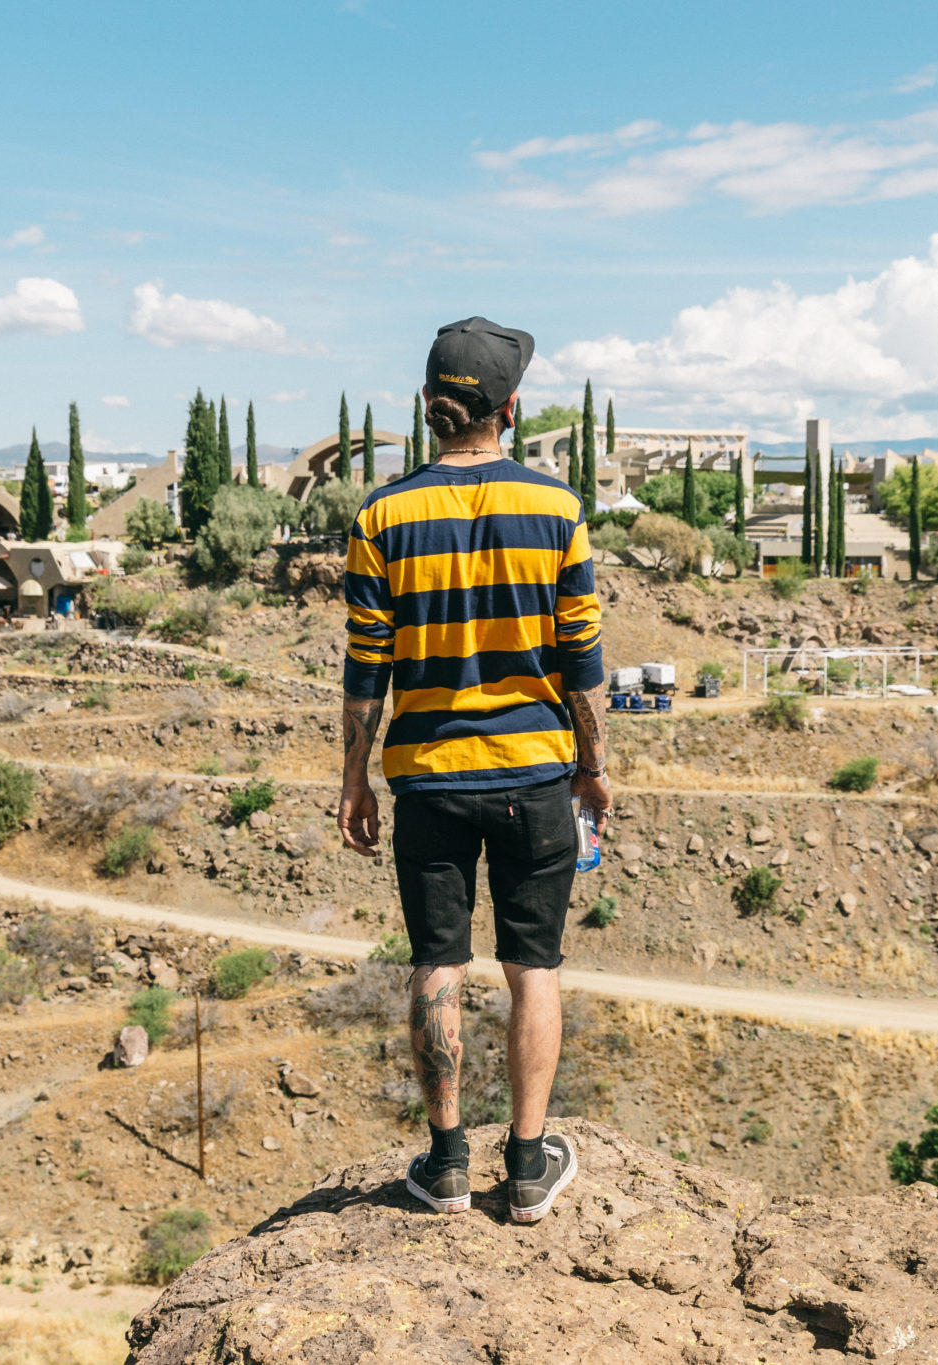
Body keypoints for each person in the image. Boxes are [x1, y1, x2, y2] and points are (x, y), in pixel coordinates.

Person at [337, 316, 610, 1224]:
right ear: (511, 408)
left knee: (436, 963)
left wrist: (353, 777)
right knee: (534, 966)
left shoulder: (381, 515)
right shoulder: (558, 508)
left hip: (429, 781)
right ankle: (528, 1169)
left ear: (428, 408)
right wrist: (594, 767)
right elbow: (583, 660)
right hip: (536, 774)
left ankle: (448, 1163)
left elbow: (364, 667)